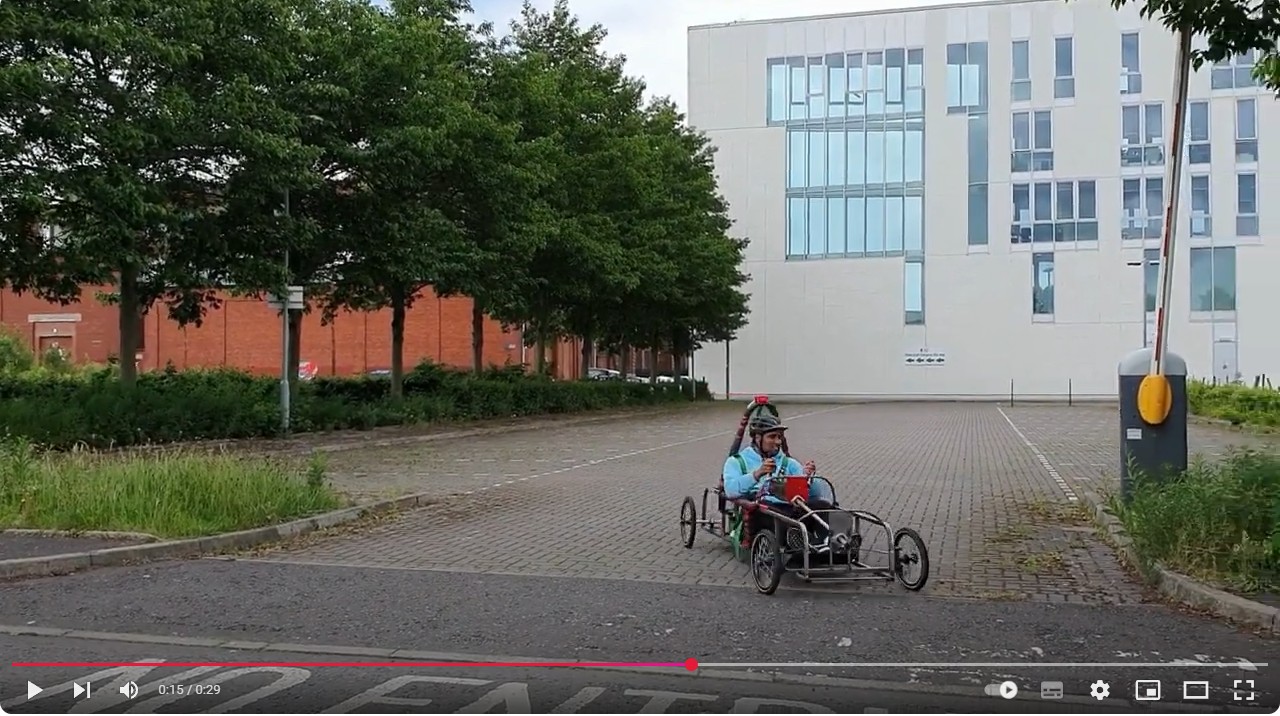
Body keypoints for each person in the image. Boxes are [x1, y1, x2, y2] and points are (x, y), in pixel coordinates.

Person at [722, 412, 834, 544]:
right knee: (771, 512)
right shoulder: (736, 461)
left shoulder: (788, 462)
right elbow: (730, 490)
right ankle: (801, 542)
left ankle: (831, 542)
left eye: (779, 437)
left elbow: (811, 494)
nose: (778, 442)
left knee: (824, 506)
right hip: (760, 509)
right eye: (772, 437)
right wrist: (757, 474)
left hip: (791, 507)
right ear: (758, 438)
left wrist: (807, 478)